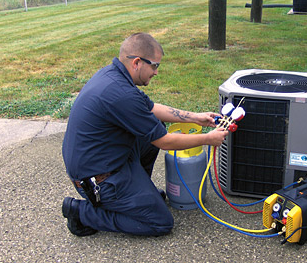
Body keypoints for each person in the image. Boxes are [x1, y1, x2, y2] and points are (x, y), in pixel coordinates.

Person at [62, 32, 228, 237]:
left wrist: (195, 117)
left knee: (155, 124)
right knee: (160, 222)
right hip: (98, 181)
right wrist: (208, 138)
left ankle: (138, 197)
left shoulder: (113, 76)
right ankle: (81, 211)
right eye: (155, 66)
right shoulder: (121, 94)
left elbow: (150, 109)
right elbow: (165, 142)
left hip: (104, 160)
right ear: (137, 62)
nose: (156, 72)